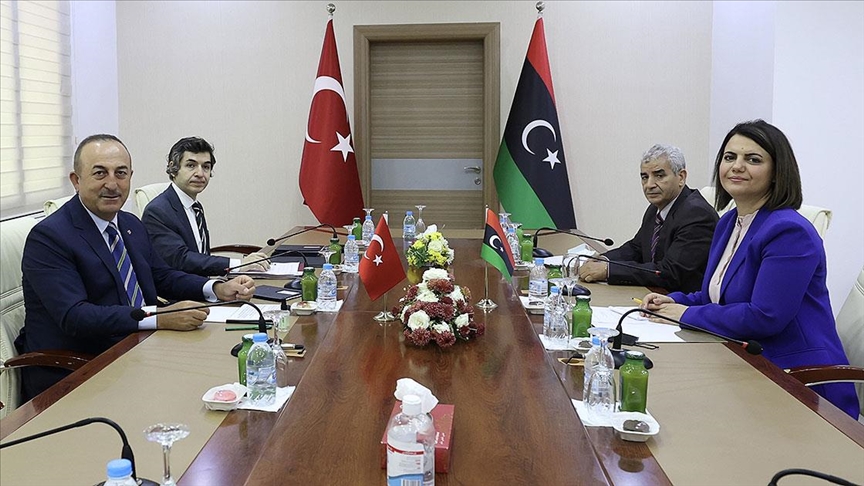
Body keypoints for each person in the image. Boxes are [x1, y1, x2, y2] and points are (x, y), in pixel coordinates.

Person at [642, 120, 859, 418]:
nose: (737, 166)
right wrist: (674, 300)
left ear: (777, 172)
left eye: (753, 159)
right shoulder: (728, 223)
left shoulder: (789, 231)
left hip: (799, 381)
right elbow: (715, 296)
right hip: (742, 362)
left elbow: (764, 317)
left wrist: (685, 314)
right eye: (730, 157)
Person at [16, 134, 256, 401]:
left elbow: (161, 276)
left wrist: (216, 287)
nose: (112, 184)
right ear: (76, 180)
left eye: (121, 173)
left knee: (224, 373)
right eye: (100, 173)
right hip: (80, 370)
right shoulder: (49, 237)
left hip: (141, 348)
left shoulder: (129, 224)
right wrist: (158, 317)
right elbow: (76, 316)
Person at [578, 144, 718, 292]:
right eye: (645, 177)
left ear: (681, 177)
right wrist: (603, 260)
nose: (649, 185)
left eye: (659, 176)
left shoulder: (697, 215)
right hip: (655, 294)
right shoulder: (655, 208)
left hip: (683, 300)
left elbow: (670, 272)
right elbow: (636, 248)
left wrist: (609, 270)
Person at [141, 136, 270, 276]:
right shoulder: (157, 211)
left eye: (206, 167)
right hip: (180, 289)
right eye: (191, 166)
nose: (200, 174)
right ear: (173, 169)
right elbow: (181, 259)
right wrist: (238, 265)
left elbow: (200, 255)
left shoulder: (195, 207)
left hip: (204, 284)